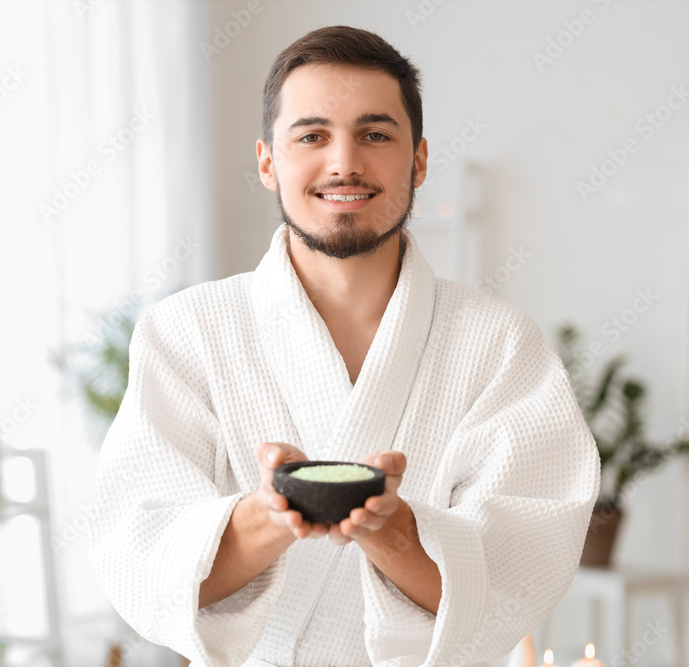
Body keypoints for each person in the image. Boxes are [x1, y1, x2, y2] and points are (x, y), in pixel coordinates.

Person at [86, 24, 600, 667]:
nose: (343, 163)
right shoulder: (186, 331)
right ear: (268, 161)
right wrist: (269, 517)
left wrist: (397, 536)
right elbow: (143, 557)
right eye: (312, 136)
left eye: (375, 134)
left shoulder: (499, 344)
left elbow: (516, 578)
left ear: (417, 159)